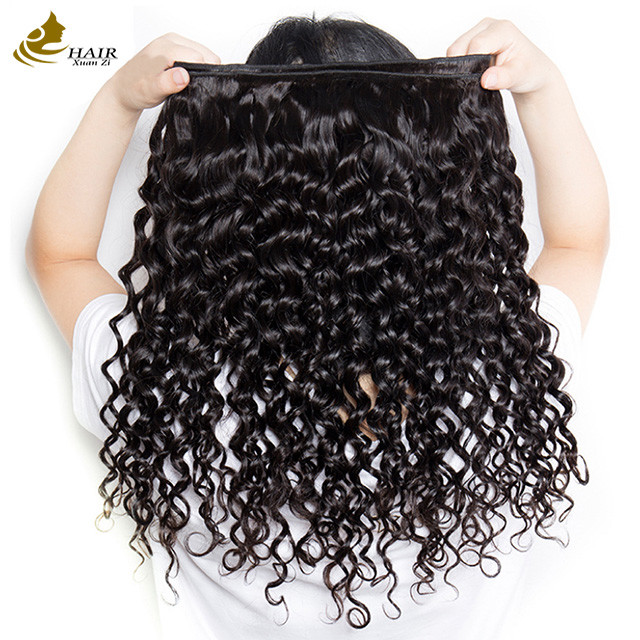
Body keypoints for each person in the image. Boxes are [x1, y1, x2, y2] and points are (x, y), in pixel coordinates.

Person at [24, 14, 609, 640]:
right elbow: (577, 243)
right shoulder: (508, 379)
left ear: (228, 210)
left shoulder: (167, 393)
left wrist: (117, 102)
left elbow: (61, 255)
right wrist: (543, 87)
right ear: (431, 199)